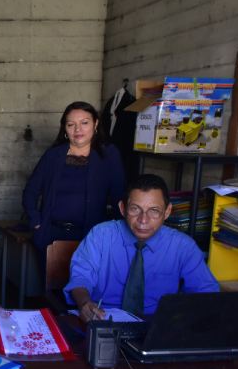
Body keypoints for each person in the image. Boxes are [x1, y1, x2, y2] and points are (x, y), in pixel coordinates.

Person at [64, 173, 219, 322]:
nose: (143, 220)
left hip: (159, 326)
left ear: (167, 211)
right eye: (135, 209)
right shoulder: (101, 235)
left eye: (154, 211)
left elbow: (206, 293)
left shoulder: (183, 246)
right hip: (103, 319)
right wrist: (84, 303)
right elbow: (81, 278)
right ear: (123, 208)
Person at [22, 101, 126, 277]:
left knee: (86, 290)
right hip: (51, 234)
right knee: (52, 292)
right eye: (71, 125)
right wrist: (36, 222)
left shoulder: (108, 154)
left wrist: (116, 233)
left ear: (96, 124)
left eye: (84, 123)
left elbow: (119, 197)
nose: (78, 129)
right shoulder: (54, 155)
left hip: (91, 237)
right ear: (65, 128)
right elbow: (30, 191)